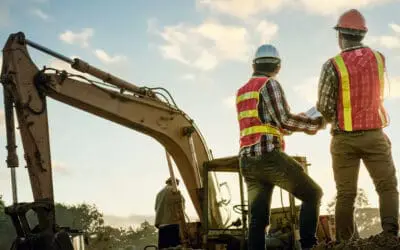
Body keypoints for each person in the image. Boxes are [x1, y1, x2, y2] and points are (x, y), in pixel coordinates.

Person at [316, 9, 399, 241]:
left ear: (340, 36)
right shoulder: (379, 58)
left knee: (346, 194)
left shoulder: (332, 65)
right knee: (387, 187)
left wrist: (338, 117)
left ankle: (345, 242)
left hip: (344, 139)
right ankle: (390, 237)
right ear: (362, 35)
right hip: (375, 136)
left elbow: (324, 105)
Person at [236, 44, 325, 250]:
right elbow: (284, 119)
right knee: (313, 194)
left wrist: (295, 123)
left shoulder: (242, 92)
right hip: (268, 157)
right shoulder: (270, 85)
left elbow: (266, 124)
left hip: (247, 161)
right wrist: (314, 123)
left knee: (258, 220)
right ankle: (309, 246)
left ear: (253, 64)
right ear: (278, 67)